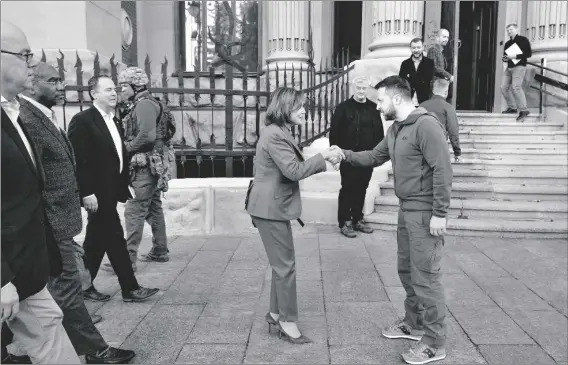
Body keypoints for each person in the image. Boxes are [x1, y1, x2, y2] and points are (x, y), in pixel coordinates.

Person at [7, 62, 136, 364]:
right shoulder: (25, 118)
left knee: (42, 292)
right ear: (31, 84)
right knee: (66, 287)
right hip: (50, 224)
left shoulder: (41, 115)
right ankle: (94, 349)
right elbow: (30, 178)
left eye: (61, 80)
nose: (61, 86)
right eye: (53, 81)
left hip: (58, 221)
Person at [330, 75, 452, 364]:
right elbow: (374, 156)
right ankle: (414, 323)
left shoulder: (427, 126)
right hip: (406, 209)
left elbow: (443, 170)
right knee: (407, 271)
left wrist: (439, 213)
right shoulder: (397, 129)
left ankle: (435, 342)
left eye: (381, 99)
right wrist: (344, 154)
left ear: (397, 99)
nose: (378, 106)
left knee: (427, 278)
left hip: (424, 213)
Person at [1, 20, 80, 364]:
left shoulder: (14, 113)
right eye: (25, 55)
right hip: (7, 273)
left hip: (24, 268)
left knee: (50, 328)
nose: (32, 64)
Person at [246, 87, 340, 344]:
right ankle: (287, 321)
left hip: (271, 207)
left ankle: (276, 313)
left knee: (282, 265)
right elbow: (293, 171)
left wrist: (325, 156)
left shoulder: (278, 132)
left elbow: (290, 165)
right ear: (284, 107)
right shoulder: (275, 135)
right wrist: (324, 157)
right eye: (299, 106)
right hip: (270, 209)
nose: (304, 111)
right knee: (286, 267)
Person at [67, 75, 159, 303]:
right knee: (115, 237)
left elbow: (117, 153)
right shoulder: (83, 120)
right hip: (96, 193)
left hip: (111, 189)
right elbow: (79, 160)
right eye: (107, 89)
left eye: (114, 89)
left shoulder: (113, 119)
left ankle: (83, 286)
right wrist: (86, 192)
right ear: (93, 94)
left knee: (97, 240)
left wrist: (123, 182)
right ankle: (130, 288)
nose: (113, 93)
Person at [119, 67, 170, 267]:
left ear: (136, 85)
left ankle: (128, 259)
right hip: (152, 164)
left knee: (135, 210)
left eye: (124, 86)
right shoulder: (146, 103)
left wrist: (125, 148)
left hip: (144, 165)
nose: (121, 90)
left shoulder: (144, 105)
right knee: (153, 208)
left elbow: (146, 136)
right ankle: (160, 250)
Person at [329, 76, 384, 238]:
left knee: (362, 187)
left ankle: (357, 220)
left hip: (367, 157)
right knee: (348, 188)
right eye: (358, 88)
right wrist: (336, 155)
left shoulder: (374, 108)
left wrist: (377, 155)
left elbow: (379, 134)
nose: (361, 91)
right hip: (347, 157)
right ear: (353, 88)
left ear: (367, 89)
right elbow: (334, 133)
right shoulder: (343, 108)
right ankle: (345, 222)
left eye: (364, 88)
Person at [420, 78, 461, 163]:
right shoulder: (448, 108)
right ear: (446, 92)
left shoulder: (421, 106)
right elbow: (453, 131)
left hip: (421, 148)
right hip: (439, 147)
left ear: (433, 91)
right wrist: (457, 152)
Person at [501, 23, 532, 122]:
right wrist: (505, 58)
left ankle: (524, 110)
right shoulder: (507, 43)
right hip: (509, 67)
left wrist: (514, 56)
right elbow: (506, 56)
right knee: (503, 87)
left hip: (519, 67)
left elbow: (528, 54)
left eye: (511, 29)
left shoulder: (523, 40)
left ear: (516, 29)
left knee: (516, 87)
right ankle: (512, 108)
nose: (509, 32)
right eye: (508, 30)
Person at [399, 38, 435, 104]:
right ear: (410, 48)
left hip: (425, 100)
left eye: (418, 47)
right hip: (408, 99)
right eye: (413, 48)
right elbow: (402, 82)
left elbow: (431, 80)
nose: (416, 50)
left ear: (423, 47)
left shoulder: (429, 63)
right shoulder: (405, 64)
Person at [426, 29, 453, 102]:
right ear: (437, 38)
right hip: (434, 85)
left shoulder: (440, 51)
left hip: (439, 84)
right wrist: (449, 76)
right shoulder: (433, 50)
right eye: (444, 37)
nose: (446, 39)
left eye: (447, 37)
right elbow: (434, 67)